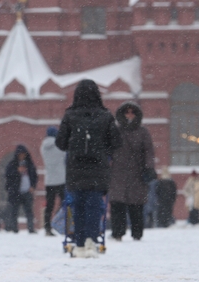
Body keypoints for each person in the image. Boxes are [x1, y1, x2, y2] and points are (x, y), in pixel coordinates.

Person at [55, 79, 121, 258]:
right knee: (93, 205)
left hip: (75, 168)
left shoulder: (70, 115)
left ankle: (79, 242)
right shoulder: (105, 116)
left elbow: (60, 143)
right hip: (98, 169)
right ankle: (92, 240)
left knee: (77, 206)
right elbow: (116, 142)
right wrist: (102, 148)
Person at [108, 101, 155, 241]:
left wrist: (149, 167)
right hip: (118, 173)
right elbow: (108, 149)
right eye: (127, 112)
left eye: (132, 112)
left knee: (136, 206)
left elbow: (149, 151)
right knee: (117, 204)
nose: (129, 115)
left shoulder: (143, 132)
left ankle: (137, 233)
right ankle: (118, 232)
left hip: (137, 173)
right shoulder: (115, 131)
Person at [4, 145, 38, 234]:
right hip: (16, 192)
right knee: (14, 211)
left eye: (23, 154)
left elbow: (34, 176)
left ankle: (31, 228)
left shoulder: (30, 164)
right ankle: (14, 228)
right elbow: (8, 175)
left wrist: (33, 186)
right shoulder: (12, 164)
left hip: (27, 191)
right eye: (20, 154)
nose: (22, 156)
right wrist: (17, 171)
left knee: (29, 211)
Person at [40, 126, 66, 236]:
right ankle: (62, 223)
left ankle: (47, 227)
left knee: (49, 205)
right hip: (61, 178)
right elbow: (66, 156)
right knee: (65, 203)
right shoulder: (60, 146)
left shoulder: (43, 147)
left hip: (49, 180)